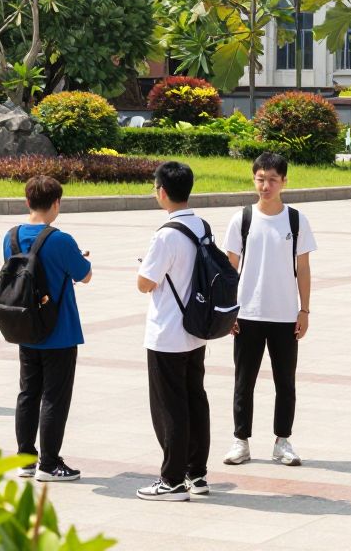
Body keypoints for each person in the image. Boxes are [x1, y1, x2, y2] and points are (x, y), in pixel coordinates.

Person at [222, 152, 317, 468]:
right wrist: (229, 311)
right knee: (243, 382)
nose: (266, 185)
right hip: (247, 313)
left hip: (285, 315)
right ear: (254, 179)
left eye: (272, 179)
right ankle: (241, 441)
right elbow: (229, 268)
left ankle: (282, 441)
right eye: (261, 179)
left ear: (284, 182)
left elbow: (302, 267)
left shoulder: (295, 219)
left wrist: (304, 311)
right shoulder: (243, 218)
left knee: (285, 382)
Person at [7, 176, 92, 483]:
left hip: (25, 326)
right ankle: (50, 463)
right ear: (56, 203)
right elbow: (85, 275)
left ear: (27, 201)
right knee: (54, 397)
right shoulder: (61, 240)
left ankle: (26, 459)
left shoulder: (11, 236)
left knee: (28, 393)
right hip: (59, 331)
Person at [136, 161, 212, 501]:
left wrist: (143, 268)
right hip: (195, 329)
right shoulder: (202, 226)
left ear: (162, 192)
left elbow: (145, 283)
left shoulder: (166, 235)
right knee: (195, 399)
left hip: (167, 332)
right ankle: (197, 474)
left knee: (170, 407)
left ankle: (172, 480)